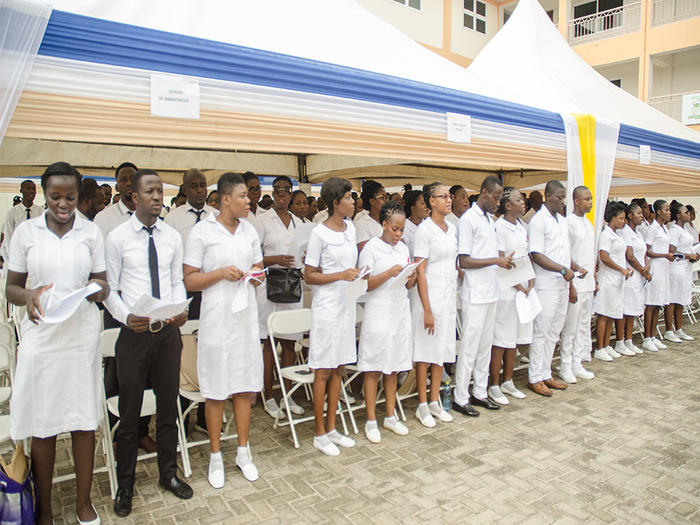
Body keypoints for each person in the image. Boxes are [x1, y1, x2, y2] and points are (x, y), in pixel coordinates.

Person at [6, 162, 109, 525]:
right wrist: (28, 294)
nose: (62, 204)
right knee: (44, 421)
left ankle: (84, 504)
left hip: (80, 336)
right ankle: (46, 509)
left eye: (70, 197)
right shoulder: (27, 233)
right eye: (55, 197)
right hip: (41, 337)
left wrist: (96, 290)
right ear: (44, 194)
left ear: (79, 196)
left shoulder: (91, 233)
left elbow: (102, 281)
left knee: (83, 419)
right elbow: (12, 286)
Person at [105, 169, 192, 517]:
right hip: (134, 334)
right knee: (130, 413)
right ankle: (124, 484)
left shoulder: (171, 236)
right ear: (134, 196)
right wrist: (127, 317)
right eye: (150, 191)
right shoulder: (117, 238)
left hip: (167, 333)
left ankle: (167, 474)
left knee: (168, 407)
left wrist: (181, 307)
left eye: (160, 191)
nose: (157, 197)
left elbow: (175, 281)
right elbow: (109, 289)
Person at [184, 172, 265, 486]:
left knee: (244, 386)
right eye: (243, 196)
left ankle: (243, 451)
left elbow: (258, 266)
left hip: (245, 318)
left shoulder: (249, 230)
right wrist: (219, 273)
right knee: (216, 390)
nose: (248, 201)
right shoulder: (202, 232)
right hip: (216, 319)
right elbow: (190, 279)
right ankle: (216, 455)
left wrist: (255, 274)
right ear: (225, 199)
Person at [304, 177, 358, 456]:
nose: (353, 201)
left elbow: (353, 266)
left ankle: (333, 427)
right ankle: (319, 433)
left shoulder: (351, 228)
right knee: (323, 370)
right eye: (348, 197)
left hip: (346, 306)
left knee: (339, 367)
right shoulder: (319, 234)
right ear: (336, 202)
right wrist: (340, 275)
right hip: (326, 309)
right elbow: (309, 274)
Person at [357, 201, 416, 443]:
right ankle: (371, 419)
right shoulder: (371, 248)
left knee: (393, 364)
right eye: (394, 229)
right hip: (378, 309)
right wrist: (388, 273)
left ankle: (390, 415)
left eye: (402, 230)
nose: (399, 234)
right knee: (374, 366)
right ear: (383, 224)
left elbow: (408, 283)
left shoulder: (402, 248)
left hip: (399, 308)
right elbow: (364, 284)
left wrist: (410, 276)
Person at [454, 176, 511, 415]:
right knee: (469, 346)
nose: (499, 202)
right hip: (475, 293)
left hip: (491, 291)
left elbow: (490, 253)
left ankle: (479, 391)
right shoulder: (468, 220)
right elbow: (464, 260)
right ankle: (460, 397)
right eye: (496, 198)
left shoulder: (490, 220)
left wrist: (504, 261)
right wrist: (496, 260)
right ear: (484, 193)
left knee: (485, 347)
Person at [527, 180, 585, 397]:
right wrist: (562, 270)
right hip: (546, 285)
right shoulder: (538, 221)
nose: (563, 201)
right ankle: (534, 378)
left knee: (554, 332)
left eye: (564, 197)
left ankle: (545, 373)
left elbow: (564, 254)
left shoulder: (561, 221)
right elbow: (537, 254)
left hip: (562, 284)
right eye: (559, 197)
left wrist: (573, 271)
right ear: (548, 196)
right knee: (541, 332)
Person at [255, 176, 306, 419]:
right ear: (272, 193)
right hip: (269, 286)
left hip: (292, 284)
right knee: (268, 342)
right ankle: (269, 396)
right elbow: (252, 257)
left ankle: (287, 394)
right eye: (278, 191)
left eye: (286, 191)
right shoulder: (262, 220)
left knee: (289, 342)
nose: (282, 195)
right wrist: (275, 259)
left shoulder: (299, 222)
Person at [411, 182, 458, 426]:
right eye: (443, 197)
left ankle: (434, 401)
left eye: (449, 196)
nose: (448, 200)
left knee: (442, 350)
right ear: (431, 201)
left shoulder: (451, 229)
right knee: (425, 352)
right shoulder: (424, 230)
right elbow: (420, 270)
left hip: (448, 296)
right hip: (429, 296)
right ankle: (421, 404)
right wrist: (427, 309)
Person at [489, 188, 532, 404]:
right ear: (507, 205)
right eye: (518, 200)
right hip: (506, 289)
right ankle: (494, 384)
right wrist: (517, 285)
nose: (523, 203)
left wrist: (530, 280)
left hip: (522, 288)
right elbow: (500, 259)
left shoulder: (521, 226)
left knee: (513, 338)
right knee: (500, 340)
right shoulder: (499, 227)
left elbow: (526, 256)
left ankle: (508, 379)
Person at [559, 186, 597, 381]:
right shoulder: (568, 223)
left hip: (588, 284)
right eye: (587, 199)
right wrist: (571, 285)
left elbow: (590, 254)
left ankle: (577, 362)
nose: (590, 202)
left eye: (591, 199)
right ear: (576, 201)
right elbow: (566, 256)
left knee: (583, 325)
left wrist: (594, 279)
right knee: (570, 327)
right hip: (575, 284)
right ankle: (565, 365)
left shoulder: (588, 223)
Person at [594, 202, 633, 359]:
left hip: (617, 279)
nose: (623, 221)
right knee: (603, 313)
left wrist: (625, 269)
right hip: (608, 278)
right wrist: (621, 269)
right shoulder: (606, 234)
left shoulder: (617, 234)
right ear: (613, 218)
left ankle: (607, 345)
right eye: (621, 218)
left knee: (611, 313)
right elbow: (604, 257)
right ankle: (599, 347)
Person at [616, 201, 651, 354]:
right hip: (631, 274)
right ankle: (620, 341)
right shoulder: (626, 232)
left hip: (639, 275)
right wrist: (643, 271)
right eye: (638, 213)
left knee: (633, 309)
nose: (642, 216)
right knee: (625, 309)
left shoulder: (638, 233)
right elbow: (629, 256)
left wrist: (647, 264)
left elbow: (643, 252)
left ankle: (629, 340)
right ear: (630, 216)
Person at [642, 200, 673, 352]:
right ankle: (646, 337)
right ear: (659, 212)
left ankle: (653, 336)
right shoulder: (653, 228)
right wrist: (664, 255)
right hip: (655, 268)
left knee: (658, 304)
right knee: (651, 304)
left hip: (664, 268)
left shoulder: (665, 228)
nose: (669, 212)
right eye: (666, 210)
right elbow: (646, 250)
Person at [666, 201, 698, 342]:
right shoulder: (674, 230)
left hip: (685, 268)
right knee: (673, 299)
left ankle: (679, 329)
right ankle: (669, 330)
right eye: (685, 212)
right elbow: (671, 251)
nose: (689, 214)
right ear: (678, 215)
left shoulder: (684, 229)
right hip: (676, 267)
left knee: (681, 299)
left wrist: (694, 254)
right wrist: (688, 255)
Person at [1, 179, 43, 261]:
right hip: (17, 255)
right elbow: (8, 238)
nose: (32, 191)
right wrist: (15, 258)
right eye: (28, 188)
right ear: (21, 190)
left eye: (33, 189)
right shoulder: (12, 212)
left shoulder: (41, 212)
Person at [94, 162, 137, 237]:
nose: (129, 183)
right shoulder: (103, 218)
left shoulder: (150, 216)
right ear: (117, 187)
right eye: (124, 180)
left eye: (133, 179)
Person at [355, 180, 387, 252]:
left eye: (387, 197)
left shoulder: (390, 221)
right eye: (383, 198)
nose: (386, 201)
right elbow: (365, 252)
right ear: (372, 201)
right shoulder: (361, 224)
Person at [402, 190, 429, 257]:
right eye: (423, 203)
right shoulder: (404, 228)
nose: (427, 206)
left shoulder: (429, 226)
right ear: (413, 208)